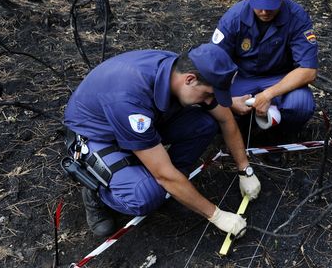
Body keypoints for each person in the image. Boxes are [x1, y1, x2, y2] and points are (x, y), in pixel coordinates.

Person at [63, 44, 261, 238]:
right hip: (97, 135)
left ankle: (176, 186)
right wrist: (216, 216)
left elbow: (225, 119)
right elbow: (164, 175)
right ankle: (96, 193)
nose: (210, 101)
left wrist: (245, 169)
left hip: (139, 123)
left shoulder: (182, 70)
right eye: (209, 95)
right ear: (190, 80)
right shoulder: (129, 99)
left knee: (204, 124)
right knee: (145, 196)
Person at [210, 0, 318, 145]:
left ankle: (278, 135)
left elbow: (308, 70)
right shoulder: (234, 17)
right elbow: (212, 61)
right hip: (242, 78)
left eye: (271, 6)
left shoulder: (297, 17)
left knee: (301, 105)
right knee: (216, 100)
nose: (265, 12)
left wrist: (268, 95)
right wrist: (228, 101)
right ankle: (239, 130)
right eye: (259, 5)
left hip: (280, 78)